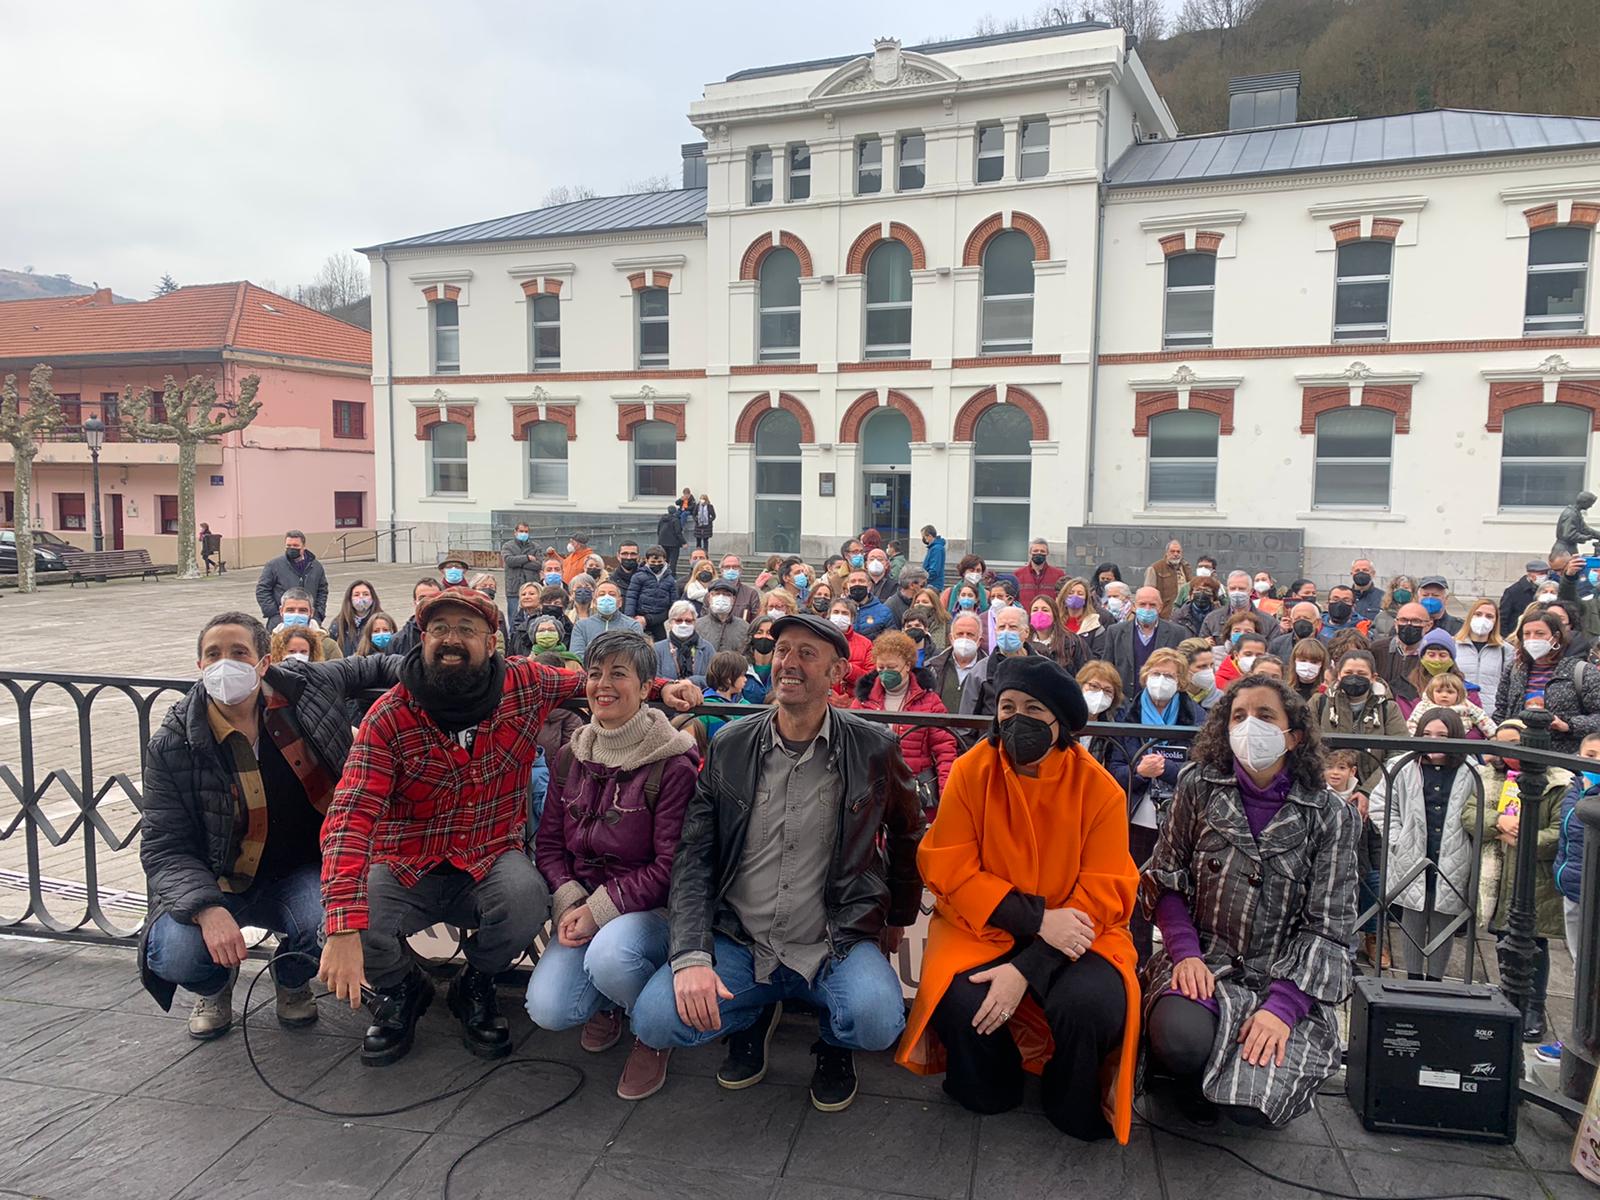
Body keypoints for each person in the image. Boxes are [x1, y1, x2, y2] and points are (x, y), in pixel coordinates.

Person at [318, 586, 701, 1066]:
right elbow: (349, 816)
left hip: (488, 861)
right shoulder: (389, 717)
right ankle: (401, 990)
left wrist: (662, 686)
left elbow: (593, 680)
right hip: (405, 867)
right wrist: (341, 926)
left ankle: (474, 982)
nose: (450, 639)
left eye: (465, 629)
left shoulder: (524, 684)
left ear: (492, 641)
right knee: (339, 918)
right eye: (438, 629)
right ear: (421, 638)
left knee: (526, 898)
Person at [630, 613, 924, 1113]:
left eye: (807, 654)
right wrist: (693, 956)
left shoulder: (874, 746)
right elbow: (694, 855)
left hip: (833, 939)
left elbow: (907, 830)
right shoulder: (731, 744)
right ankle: (753, 1015)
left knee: (875, 1021)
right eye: (783, 650)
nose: (789, 663)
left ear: (837, 675)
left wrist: (897, 915)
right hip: (741, 938)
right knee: (656, 1019)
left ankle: (835, 1041)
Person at [898, 655, 1138, 1139]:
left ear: (1060, 722)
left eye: (1032, 707)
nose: (1016, 719)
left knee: (1090, 1003)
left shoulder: (1101, 790)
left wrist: (1029, 965)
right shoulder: (971, 771)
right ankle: (990, 1084)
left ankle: (1071, 1097)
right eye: (1007, 706)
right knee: (962, 997)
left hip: (1078, 934)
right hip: (981, 925)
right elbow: (947, 865)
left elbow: (1105, 888)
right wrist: (1034, 918)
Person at [138, 612, 401, 1039]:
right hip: (218, 879)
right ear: (200, 667)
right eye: (213, 654)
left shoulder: (305, 687)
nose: (226, 664)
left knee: (340, 922)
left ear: (264, 663)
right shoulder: (175, 741)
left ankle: (292, 977)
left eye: (239, 653)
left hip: (302, 869)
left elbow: (371, 666)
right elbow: (163, 846)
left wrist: (436, 670)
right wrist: (205, 908)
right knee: (176, 955)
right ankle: (215, 984)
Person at [1141, 674, 1357, 1128]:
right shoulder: (1199, 785)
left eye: (1264, 716)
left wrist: (1282, 1009)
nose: (1249, 726)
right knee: (1180, 1040)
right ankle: (1184, 1078)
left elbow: (1330, 923)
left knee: (1253, 1108)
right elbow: (1165, 875)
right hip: (1205, 960)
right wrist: (1184, 954)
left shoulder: (1330, 813)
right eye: (1238, 716)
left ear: (1294, 736)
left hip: (1282, 973)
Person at [526, 631, 700, 1100]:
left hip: (649, 911)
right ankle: (612, 1004)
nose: (603, 685)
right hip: (583, 902)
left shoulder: (673, 765)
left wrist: (601, 910)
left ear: (646, 688)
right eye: (596, 674)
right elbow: (549, 848)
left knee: (611, 956)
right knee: (549, 1008)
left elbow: (672, 866)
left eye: (618, 674)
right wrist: (567, 902)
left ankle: (653, 1031)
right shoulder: (569, 756)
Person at [1469, 721, 1569, 1042]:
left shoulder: (1559, 782)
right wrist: (1499, 823)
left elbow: (1558, 832)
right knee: (1502, 938)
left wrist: (1525, 837)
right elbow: (1470, 816)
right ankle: (1506, 998)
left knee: (1534, 944)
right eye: (1503, 743)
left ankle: (1534, 1007)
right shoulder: (1488, 778)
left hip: (1536, 877)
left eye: (1516, 742)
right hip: (1498, 874)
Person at [1367, 708, 1478, 982]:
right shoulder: (1403, 767)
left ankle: (1436, 979)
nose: (1434, 740)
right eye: (1427, 734)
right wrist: (1397, 839)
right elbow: (1381, 805)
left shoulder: (1471, 771)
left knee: (1444, 915)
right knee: (1412, 915)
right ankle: (1413, 977)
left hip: (1451, 853)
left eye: (1442, 735)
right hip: (1413, 851)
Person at [1108, 648, 1204, 964]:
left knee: (1177, 892)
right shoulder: (1126, 715)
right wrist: (1138, 771)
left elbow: (1203, 771)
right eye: (1156, 674)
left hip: (1180, 822)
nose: (1161, 681)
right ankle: (1138, 960)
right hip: (1138, 818)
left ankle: (1178, 960)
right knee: (1136, 891)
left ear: (1181, 682)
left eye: (1170, 676)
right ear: (1145, 675)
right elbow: (1113, 770)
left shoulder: (1197, 717)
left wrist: (1169, 770)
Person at [851, 631, 958, 813]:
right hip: (873, 793)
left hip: (914, 793)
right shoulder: (863, 701)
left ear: (908, 665)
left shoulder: (930, 701)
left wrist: (947, 795)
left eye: (892, 667)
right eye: (881, 668)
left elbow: (945, 751)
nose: (885, 674)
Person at [1493, 610, 1600, 752]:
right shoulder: (1514, 669)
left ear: (1555, 637)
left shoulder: (1582, 671)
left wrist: (1568, 725)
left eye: (1540, 633)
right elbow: (1501, 712)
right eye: (1527, 634)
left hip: (1563, 757)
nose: (1532, 638)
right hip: (1517, 754)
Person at [1100, 586, 1186, 697]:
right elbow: (1106, 667)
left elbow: (1182, 670)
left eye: (1152, 605)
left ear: (1160, 607)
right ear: (1134, 606)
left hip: (1162, 699)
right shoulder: (1115, 631)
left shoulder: (1177, 633)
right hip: (1124, 700)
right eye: (1142, 604)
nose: (1147, 609)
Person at [960, 605, 1039, 719]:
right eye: (1002, 627)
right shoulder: (981, 670)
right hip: (991, 735)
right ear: (995, 631)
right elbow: (966, 719)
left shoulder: (1043, 666)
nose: (1006, 632)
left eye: (1012, 627)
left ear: (1026, 632)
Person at [255, 530, 329, 625]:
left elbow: (322, 591)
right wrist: (274, 613)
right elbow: (262, 590)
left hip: (308, 619)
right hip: (280, 620)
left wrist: (318, 614)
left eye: (295, 546)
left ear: (304, 546)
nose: (292, 549)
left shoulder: (316, 566)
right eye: (288, 546)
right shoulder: (274, 565)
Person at [1452, 597, 1510, 715]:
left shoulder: (1506, 650)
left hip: (1491, 713)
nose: (1483, 619)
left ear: (1496, 621)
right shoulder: (1453, 645)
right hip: (1459, 712)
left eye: (1489, 616)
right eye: (1478, 614)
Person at [926, 611, 986, 720]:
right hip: (941, 732)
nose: (964, 638)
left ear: (979, 640)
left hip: (975, 735)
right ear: (951, 638)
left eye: (970, 634)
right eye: (960, 634)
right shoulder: (934, 667)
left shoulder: (989, 671)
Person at [1406, 670, 1497, 739]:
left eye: (1450, 692)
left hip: (1461, 742)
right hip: (1431, 740)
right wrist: (1415, 740)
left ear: (1458, 693)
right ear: (1431, 692)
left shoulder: (1466, 705)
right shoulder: (1424, 705)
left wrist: (1493, 735)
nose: (1444, 695)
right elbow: (1412, 723)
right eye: (1439, 691)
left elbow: (1483, 719)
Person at [626, 545, 681, 642]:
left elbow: (674, 600)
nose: (656, 564)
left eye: (659, 562)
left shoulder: (670, 579)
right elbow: (632, 596)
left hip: (660, 617)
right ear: (647, 561)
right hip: (641, 614)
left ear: (665, 560)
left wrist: (675, 616)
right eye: (653, 562)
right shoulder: (638, 576)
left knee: (662, 643)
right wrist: (629, 616)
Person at [570, 580, 634, 659]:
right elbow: (576, 657)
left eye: (612, 594)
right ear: (595, 602)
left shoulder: (632, 626)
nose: (606, 597)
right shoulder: (581, 626)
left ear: (620, 602)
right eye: (601, 594)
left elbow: (635, 657)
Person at [1027, 594, 1090, 674]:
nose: (1039, 613)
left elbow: (1085, 671)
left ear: (1055, 615)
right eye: (1035, 610)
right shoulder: (1024, 642)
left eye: (1045, 610)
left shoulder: (1072, 642)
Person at [1201, 572, 1272, 642]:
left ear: (1251, 591)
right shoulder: (1212, 619)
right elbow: (1200, 649)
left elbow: (1274, 650)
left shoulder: (1268, 622)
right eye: (1232, 588)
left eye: (1241, 589)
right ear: (1227, 590)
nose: (1236, 592)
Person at [656, 600, 714, 683]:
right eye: (679, 620)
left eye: (688, 621)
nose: (684, 624)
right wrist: (676, 685)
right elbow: (654, 679)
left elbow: (714, 679)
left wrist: (691, 681)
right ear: (670, 622)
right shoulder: (657, 649)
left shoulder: (707, 648)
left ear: (694, 623)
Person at [275, 589, 342, 660]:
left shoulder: (328, 646)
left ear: (311, 612)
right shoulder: (270, 644)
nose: (296, 614)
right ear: (281, 611)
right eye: (290, 610)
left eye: (302, 610)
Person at [326, 580, 383, 657]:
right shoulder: (338, 623)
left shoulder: (381, 621)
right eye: (356, 595)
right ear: (349, 599)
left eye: (366, 594)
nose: (361, 597)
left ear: (373, 598)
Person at [696, 578, 750, 655]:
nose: (721, 597)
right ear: (709, 598)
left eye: (726, 595)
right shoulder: (697, 626)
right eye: (717, 594)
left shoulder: (744, 627)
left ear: (733, 600)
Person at [390, 577, 442, 657]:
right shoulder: (398, 640)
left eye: (433, 597)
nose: (427, 601)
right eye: (422, 598)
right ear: (415, 602)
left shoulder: (452, 636)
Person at [1500, 560, 1551, 637]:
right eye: (1540, 574)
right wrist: (1506, 637)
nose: (1544, 576)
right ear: (1530, 574)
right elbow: (1502, 618)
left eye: (1546, 573)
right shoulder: (1513, 591)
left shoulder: (1548, 589)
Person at [1144, 539, 1191, 620]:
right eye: (1172, 551)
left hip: (1184, 615)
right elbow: (1149, 595)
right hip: (1164, 615)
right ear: (1166, 553)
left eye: (1178, 552)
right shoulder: (1155, 568)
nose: (1176, 554)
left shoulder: (1186, 567)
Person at [501, 523, 537, 625]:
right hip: (513, 589)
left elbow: (538, 564)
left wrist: (518, 562)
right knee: (514, 619)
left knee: (532, 618)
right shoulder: (507, 546)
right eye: (521, 531)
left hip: (531, 587)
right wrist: (527, 558)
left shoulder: (535, 546)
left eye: (526, 532)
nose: (524, 534)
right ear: (515, 532)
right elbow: (509, 561)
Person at [1016, 538, 1067, 609]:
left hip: (1049, 616)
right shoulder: (1018, 574)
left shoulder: (1058, 575)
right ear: (1030, 552)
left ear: (1047, 553)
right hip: (1025, 617)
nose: (1039, 553)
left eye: (1042, 551)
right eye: (1035, 551)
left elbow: (1063, 598)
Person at [1553, 490, 1600, 557]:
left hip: (1570, 548)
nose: (1591, 506)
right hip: (1563, 551)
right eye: (1590, 503)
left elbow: (1584, 529)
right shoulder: (1570, 515)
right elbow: (1568, 535)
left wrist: (1598, 535)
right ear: (1584, 502)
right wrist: (1585, 537)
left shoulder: (1576, 513)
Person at [715, 554, 760, 623]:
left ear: (740, 570)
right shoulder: (712, 592)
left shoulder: (751, 594)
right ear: (721, 570)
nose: (731, 570)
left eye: (735, 567)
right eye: (727, 567)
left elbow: (755, 621)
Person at [1372, 573, 1417, 641]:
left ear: (1413, 592)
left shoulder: (1418, 616)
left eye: (1405, 588)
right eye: (1397, 587)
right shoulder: (1381, 616)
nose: (1401, 590)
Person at [1288, 637, 1329, 702]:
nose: (1308, 665)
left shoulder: (1328, 691)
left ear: (1322, 664)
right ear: (1294, 660)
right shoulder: (1284, 687)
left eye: (1314, 662)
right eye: (1303, 660)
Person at [655, 504, 687, 579]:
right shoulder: (675, 520)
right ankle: (672, 575)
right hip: (673, 543)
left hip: (662, 542)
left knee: (665, 559)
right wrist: (683, 542)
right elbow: (678, 532)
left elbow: (658, 530)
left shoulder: (662, 519)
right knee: (673, 560)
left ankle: (663, 573)